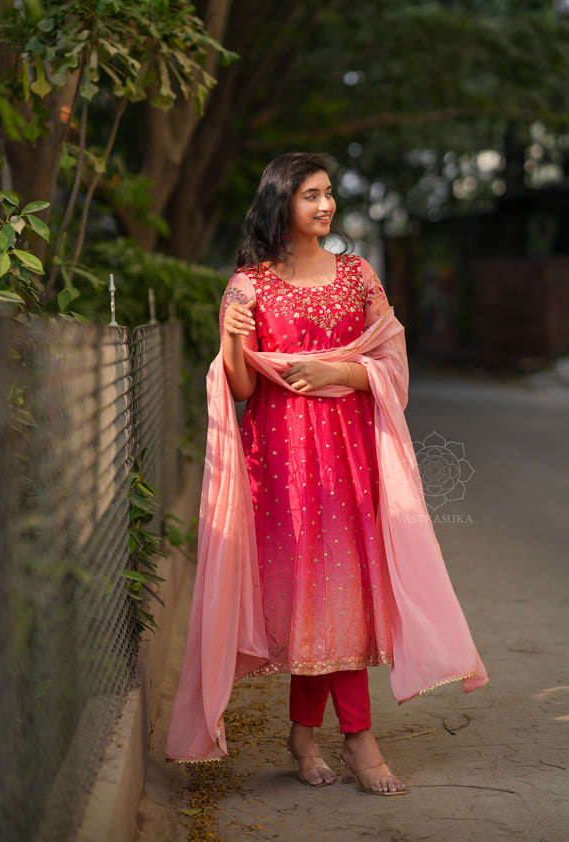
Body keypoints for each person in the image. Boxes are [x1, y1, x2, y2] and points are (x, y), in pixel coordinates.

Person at [166, 152, 487, 796]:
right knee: (315, 598)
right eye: (311, 195)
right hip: (279, 462)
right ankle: (319, 736)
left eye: (329, 194)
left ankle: (339, 736)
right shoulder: (248, 285)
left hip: (347, 454)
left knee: (344, 594)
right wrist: (231, 338)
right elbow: (238, 384)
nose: (325, 206)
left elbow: (391, 365)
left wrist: (342, 372)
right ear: (282, 202)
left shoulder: (358, 275)